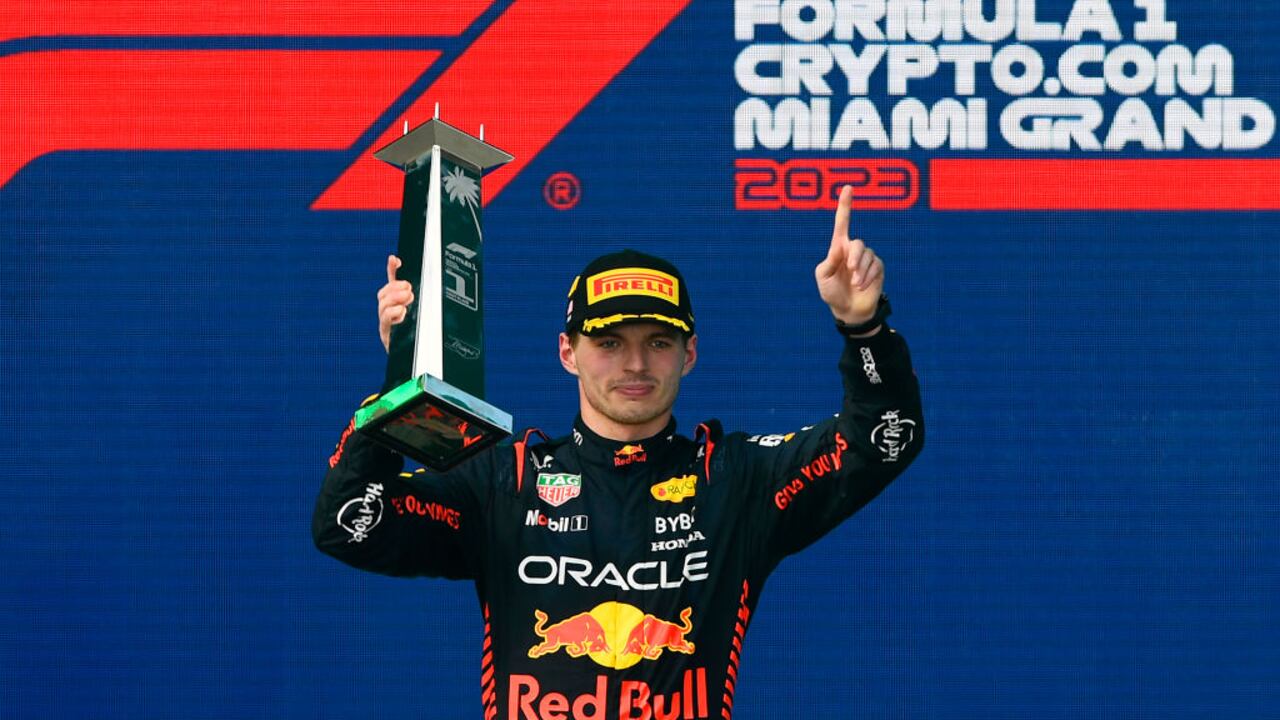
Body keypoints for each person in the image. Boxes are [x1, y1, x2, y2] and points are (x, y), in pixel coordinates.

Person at [313, 187, 924, 719]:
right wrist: (399, 387)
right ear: (567, 352)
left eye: (657, 341)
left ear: (688, 355)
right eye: (608, 341)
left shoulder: (734, 480)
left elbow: (884, 438)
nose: (635, 364)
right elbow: (349, 528)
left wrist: (863, 326)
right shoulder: (505, 480)